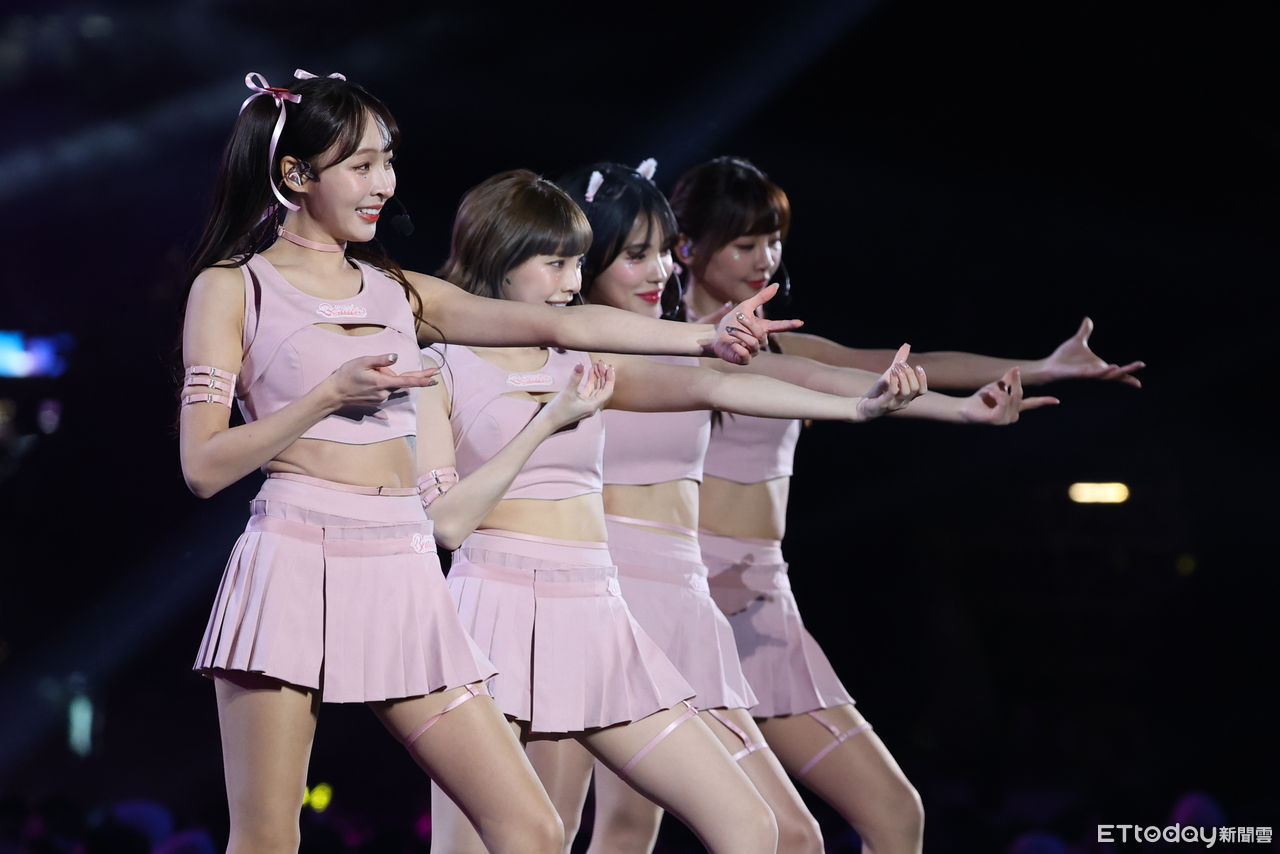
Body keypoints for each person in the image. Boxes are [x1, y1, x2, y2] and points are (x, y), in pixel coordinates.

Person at [179, 72, 799, 854]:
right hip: (292, 558)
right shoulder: (233, 288)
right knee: (268, 837)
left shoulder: (399, 292)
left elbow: (560, 328)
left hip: (400, 569)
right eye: (362, 165)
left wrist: (703, 337)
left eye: (387, 162)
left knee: (531, 829)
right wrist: (325, 397)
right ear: (296, 175)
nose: (384, 184)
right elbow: (203, 466)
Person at [418, 169, 927, 854]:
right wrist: (549, 422)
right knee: (526, 840)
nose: (573, 280)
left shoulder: (582, 357)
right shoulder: (440, 367)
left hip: (597, 614)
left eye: (577, 262)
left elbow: (716, 384)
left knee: (753, 828)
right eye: (556, 263)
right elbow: (448, 524)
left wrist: (857, 408)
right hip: (494, 614)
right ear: (502, 261)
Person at [553, 160, 1053, 854]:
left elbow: (821, 376)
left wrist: (957, 410)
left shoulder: (703, 353)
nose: (659, 269)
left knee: (794, 834)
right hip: (602, 604)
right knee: (563, 833)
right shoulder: (570, 350)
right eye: (638, 254)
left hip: (696, 604)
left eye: (661, 252)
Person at [666, 155, 1145, 854]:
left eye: (774, 241)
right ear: (687, 248)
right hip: (683, 599)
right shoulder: (660, 347)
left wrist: (1043, 368)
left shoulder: (788, 347)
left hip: (765, 603)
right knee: (734, 834)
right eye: (745, 243)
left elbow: (904, 367)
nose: (766, 258)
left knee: (895, 816)